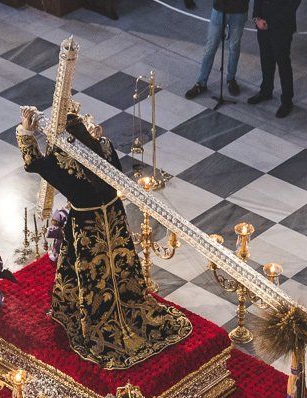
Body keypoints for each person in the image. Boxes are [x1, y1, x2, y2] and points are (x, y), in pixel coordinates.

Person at [16, 106, 192, 370]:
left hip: (88, 226)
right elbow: (116, 169)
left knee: (89, 270)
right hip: (114, 217)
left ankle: (81, 308)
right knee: (120, 268)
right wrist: (99, 139)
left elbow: (34, 163)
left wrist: (26, 133)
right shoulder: (102, 149)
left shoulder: (64, 160)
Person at [185, 0, 249, 100]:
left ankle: (231, 79)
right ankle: (201, 83)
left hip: (239, 10)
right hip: (220, 8)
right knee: (210, 47)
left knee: (234, 47)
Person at [248, 0, 300, 118]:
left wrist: (269, 22)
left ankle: (287, 101)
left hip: (282, 28)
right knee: (266, 59)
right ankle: (266, 91)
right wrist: (257, 18)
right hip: (262, 25)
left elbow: (291, 5)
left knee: (283, 64)